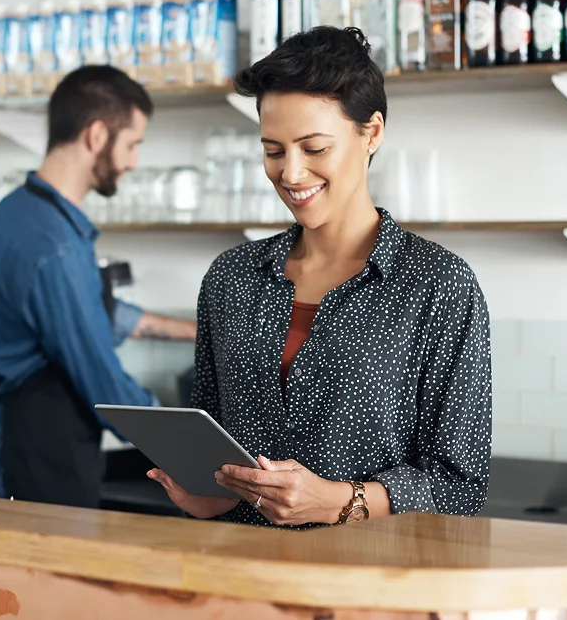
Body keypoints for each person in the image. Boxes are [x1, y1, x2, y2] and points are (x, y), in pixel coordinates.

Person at [149, 27, 492, 527]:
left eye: (313, 148)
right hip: (238, 582)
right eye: (273, 150)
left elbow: (459, 485)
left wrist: (335, 501)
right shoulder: (231, 279)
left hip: (368, 587)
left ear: (371, 133)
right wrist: (209, 493)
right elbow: (215, 457)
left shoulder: (439, 286)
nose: (290, 174)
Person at [0, 65, 197, 508]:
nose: (134, 162)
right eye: (133, 144)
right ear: (97, 135)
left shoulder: (21, 211)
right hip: (30, 456)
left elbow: (96, 313)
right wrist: (187, 445)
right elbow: (99, 374)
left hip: (13, 445)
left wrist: (197, 332)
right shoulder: (53, 243)